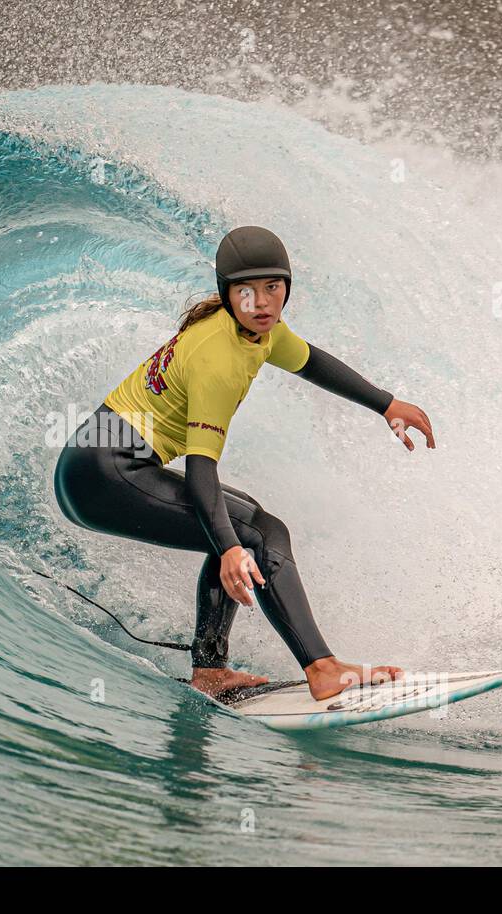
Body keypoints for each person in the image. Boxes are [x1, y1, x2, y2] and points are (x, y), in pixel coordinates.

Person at [52, 226, 436, 701]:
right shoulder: (219, 359)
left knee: (243, 522)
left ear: (287, 288)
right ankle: (323, 668)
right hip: (103, 475)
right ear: (227, 293)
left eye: (273, 287)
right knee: (253, 535)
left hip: (93, 461)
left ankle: (211, 671)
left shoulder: (255, 329)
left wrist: (386, 404)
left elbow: (311, 362)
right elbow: (201, 471)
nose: (261, 302)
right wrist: (231, 548)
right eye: (246, 291)